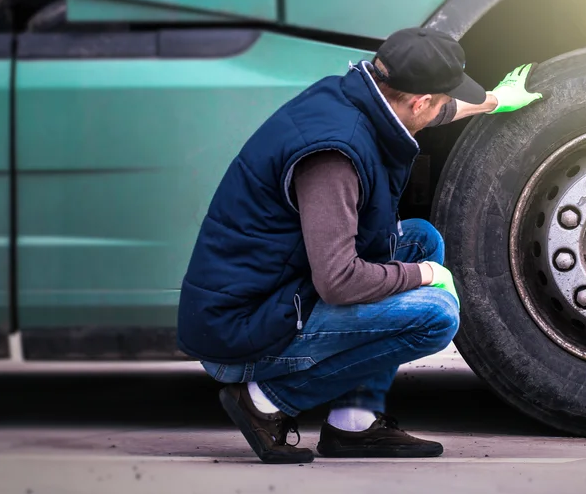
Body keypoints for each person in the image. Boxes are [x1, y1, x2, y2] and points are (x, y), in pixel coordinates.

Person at [176, 27, 542, 463]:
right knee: (436, 316)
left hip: (272, 293)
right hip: (241, 333)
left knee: (422, 239)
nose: (441, 110)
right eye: (440, 102)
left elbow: (433, 111)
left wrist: (494, 101)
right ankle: (264, 401)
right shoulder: (335, 155)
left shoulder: (355, 96)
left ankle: (354, 423)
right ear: (418, 102)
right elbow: (338, 281)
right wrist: (426, 276)